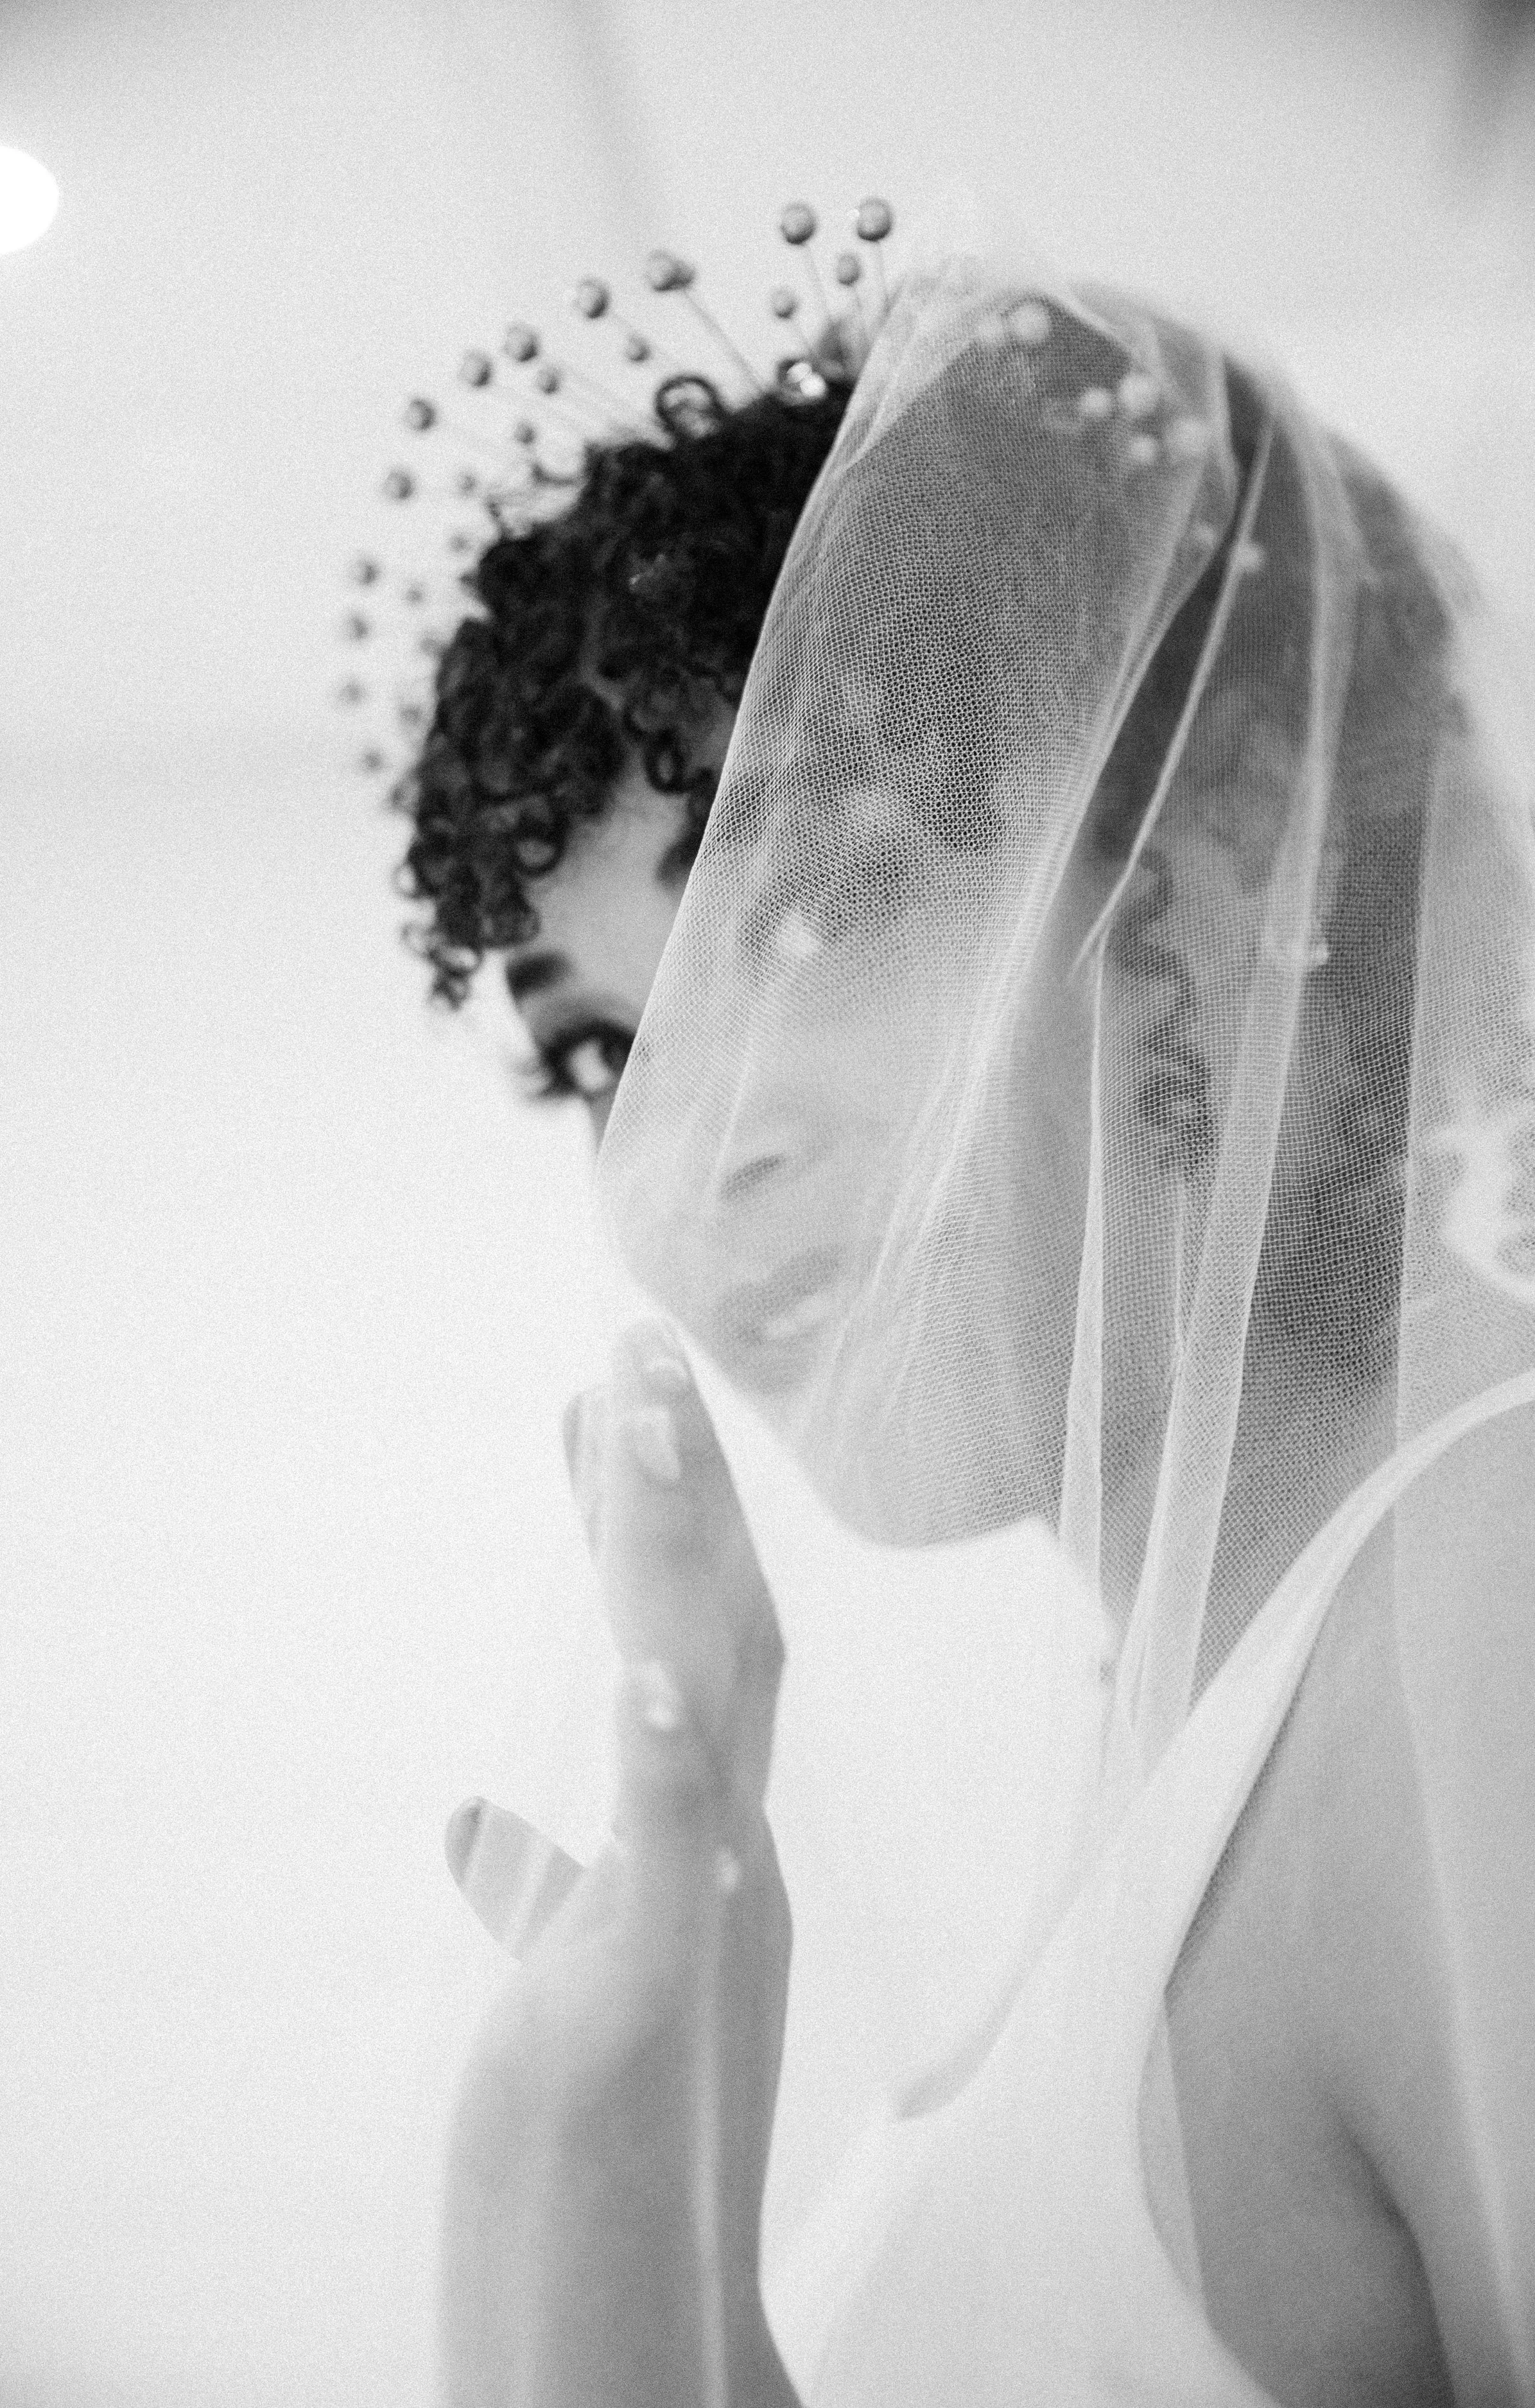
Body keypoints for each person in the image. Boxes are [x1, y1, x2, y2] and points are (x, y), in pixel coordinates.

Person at [386, 254, 1535, 2405]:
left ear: (1220, 853)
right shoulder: (1183, 1719)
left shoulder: (1496, 1617)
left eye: (806, 922)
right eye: (601, 1052)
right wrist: (617, 2188)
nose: (686, 1151)